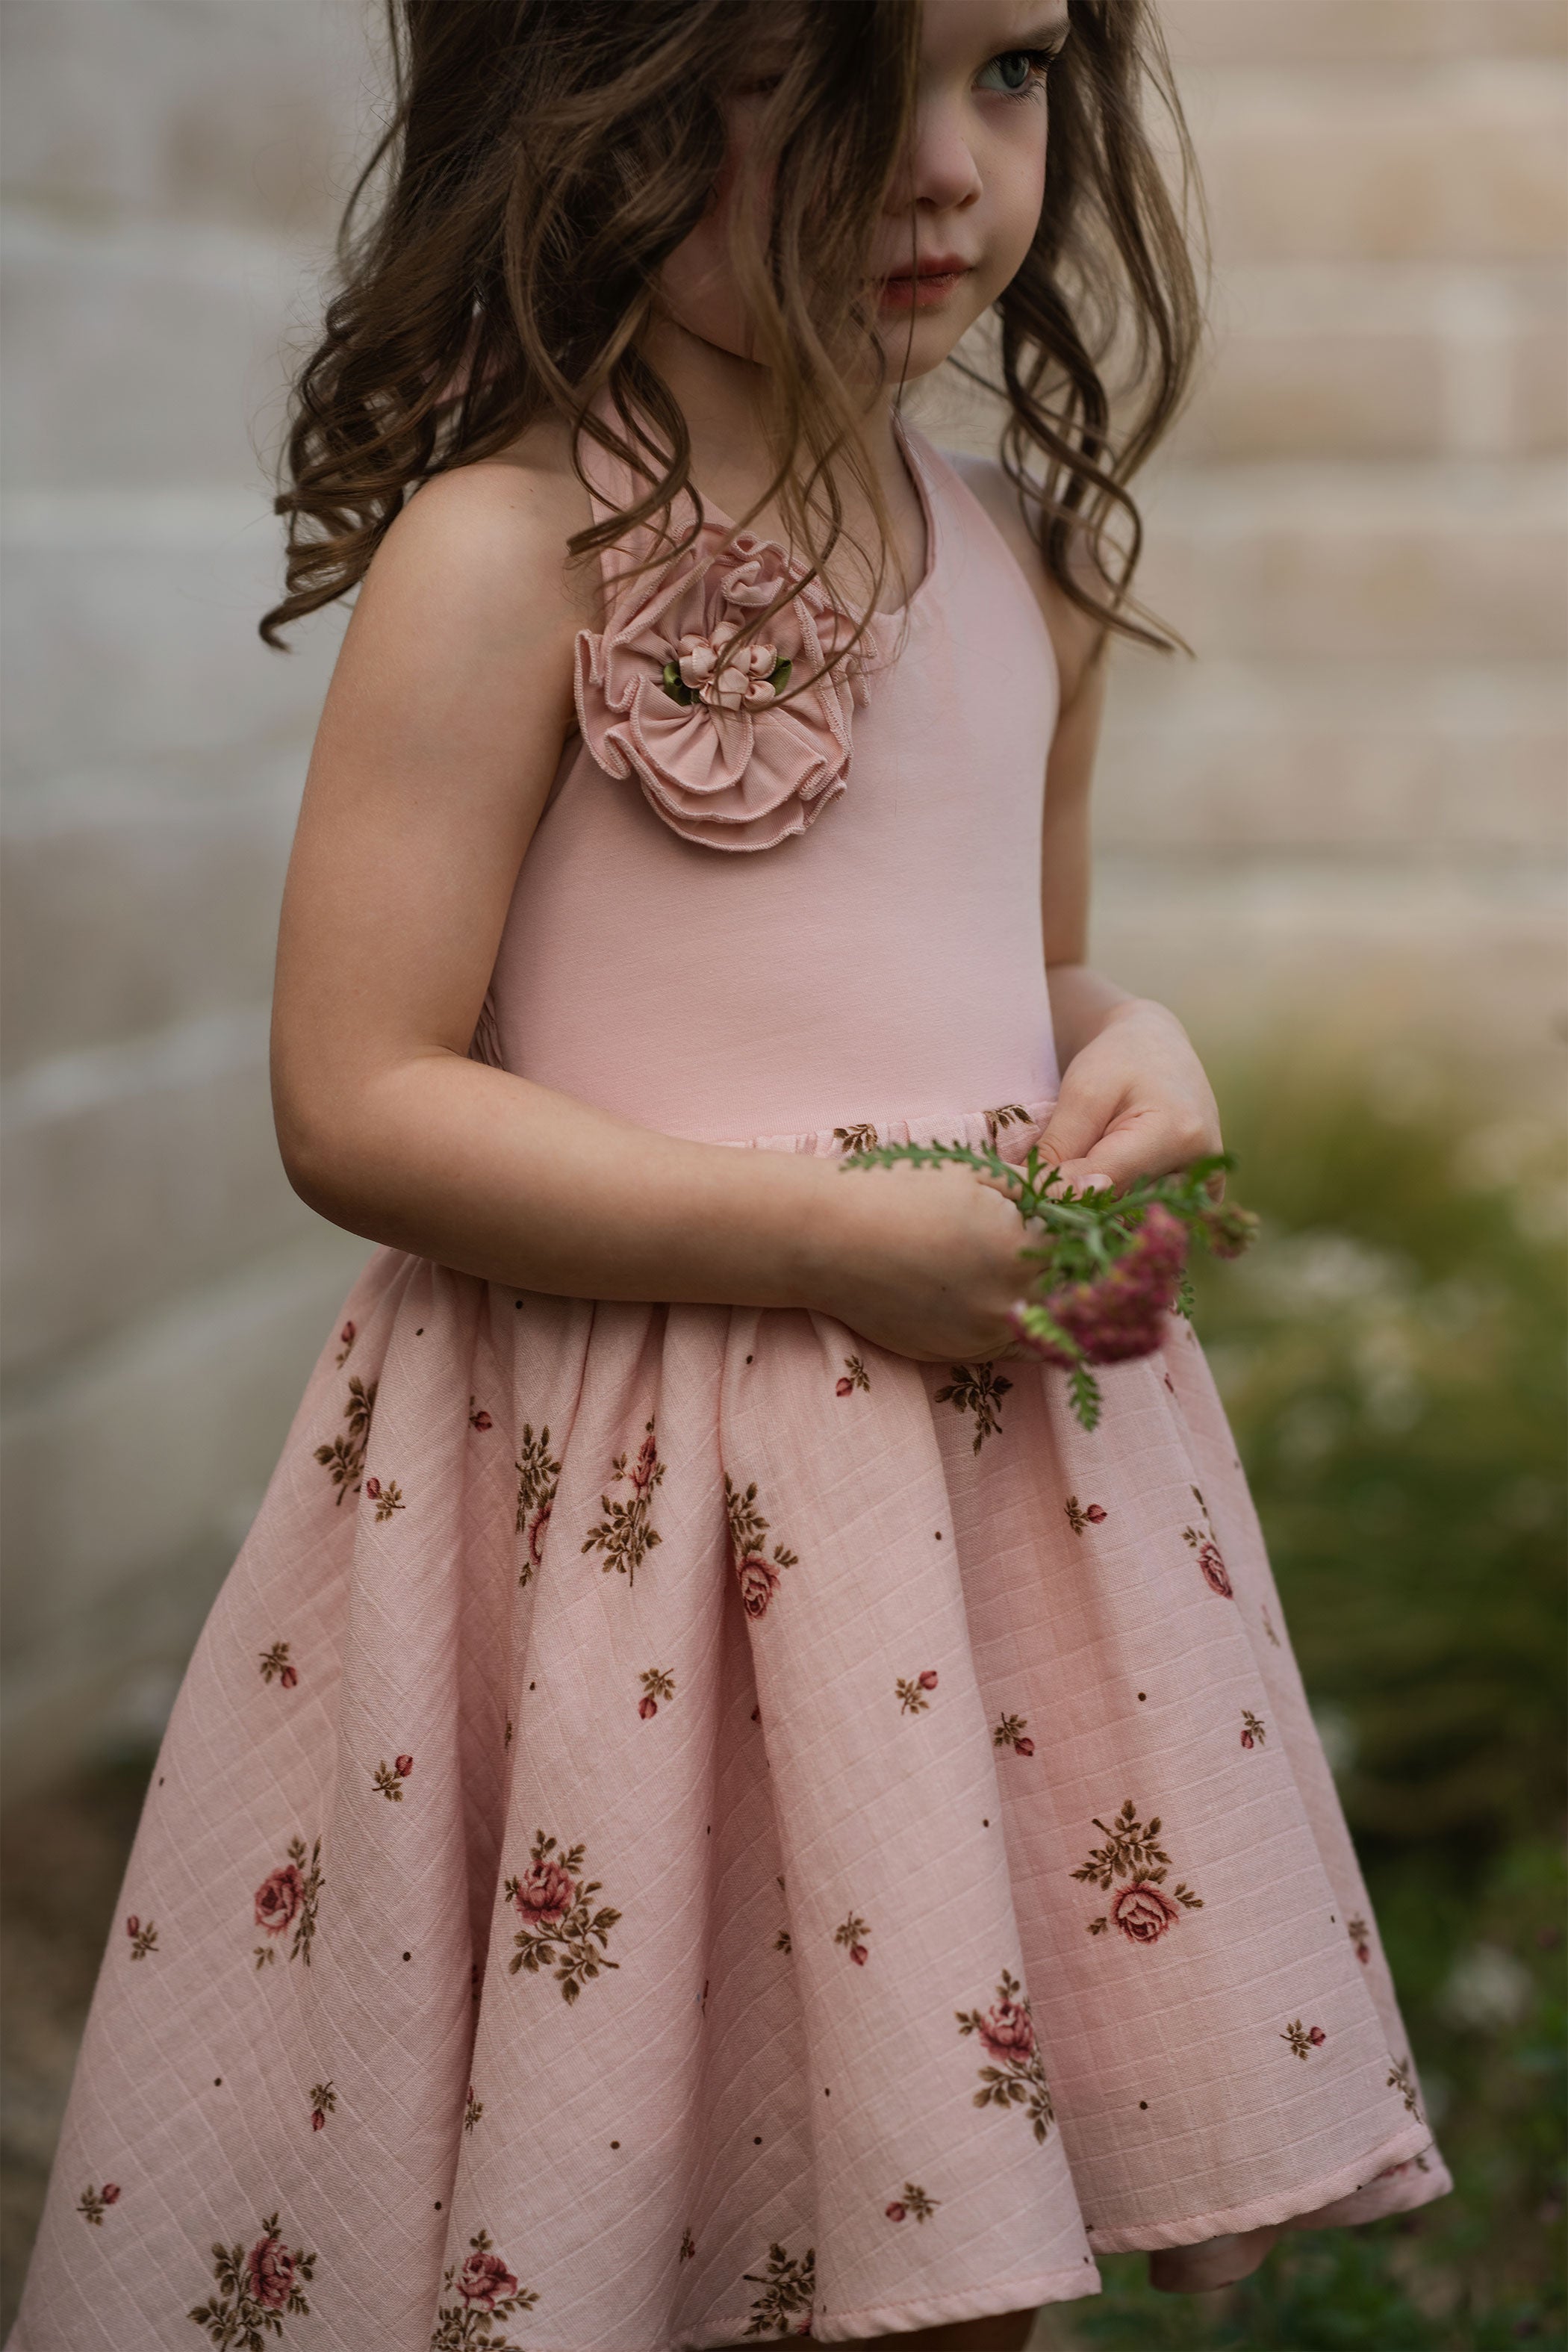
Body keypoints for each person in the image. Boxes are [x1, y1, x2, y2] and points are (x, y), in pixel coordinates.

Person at [7, 3, 1452, 2346]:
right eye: (819, 73)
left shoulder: (1025, 567)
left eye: (1011, 68)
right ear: (601, 87)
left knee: (936, 2208)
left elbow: (1017, 968)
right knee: (602, 2186)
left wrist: (1126, 1039)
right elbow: (354, 1096)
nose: (942, 165)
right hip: (615, 1524)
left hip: (956, 1531)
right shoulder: (505, 551)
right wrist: (825, 1240)